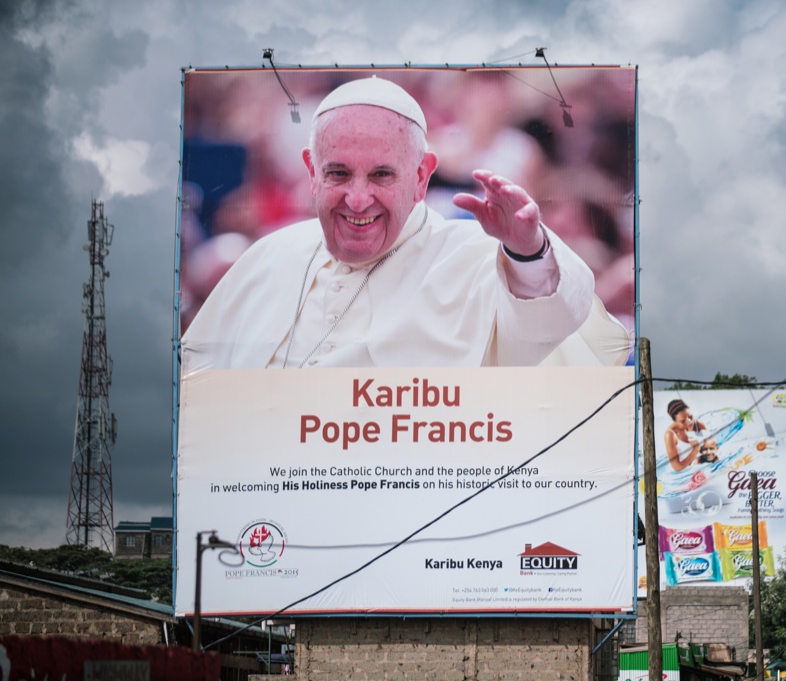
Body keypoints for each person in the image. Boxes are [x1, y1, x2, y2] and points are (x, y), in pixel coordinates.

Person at [181, 77, 630, 370]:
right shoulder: (266, 259)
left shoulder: (475, 254)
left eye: (381, 174)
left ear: (421, 176)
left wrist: (528, 252)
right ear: (311, 172)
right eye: (338, 173)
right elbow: (201, 406)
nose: (358, 198)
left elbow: (553, 328)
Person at [663, 399, 709, 472]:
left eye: (690, 416)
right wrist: (695, 450)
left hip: (701, 466)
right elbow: (677, 467)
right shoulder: (670, 434)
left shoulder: (698, 425)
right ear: (675, 421)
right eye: (683, 421)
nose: (689, 421)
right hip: (683, 473)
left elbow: (712, 447)